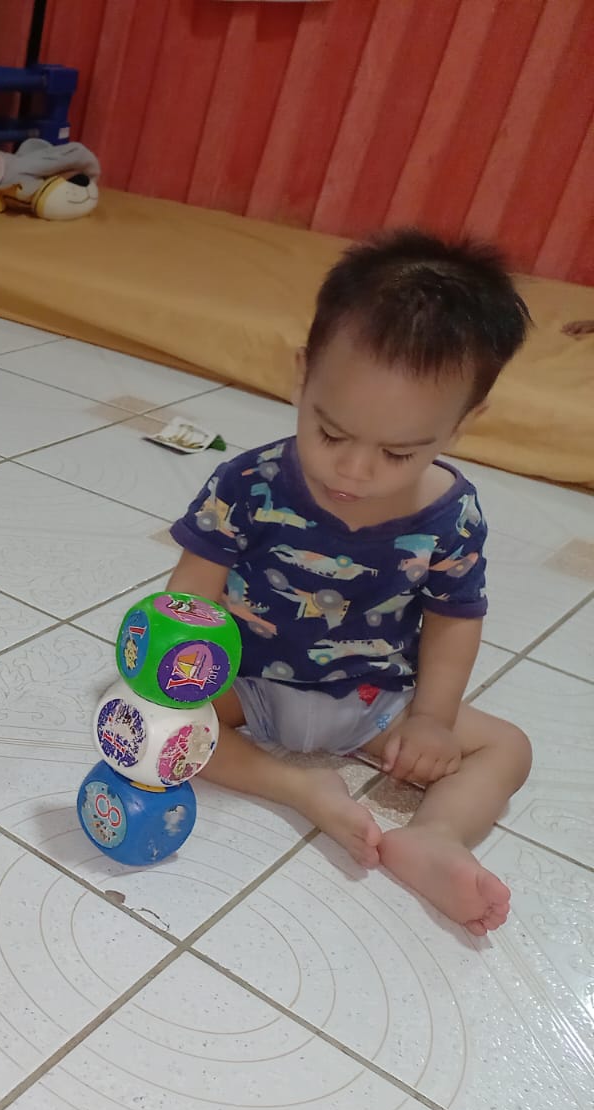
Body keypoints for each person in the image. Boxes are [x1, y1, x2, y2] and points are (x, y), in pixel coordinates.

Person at [167, 229, 533, 935]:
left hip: (374, 697)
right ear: (303, 376)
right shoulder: (248, 481)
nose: (354, 471)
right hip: (245, 684)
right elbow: (188, 593)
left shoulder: (453, 515)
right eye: (330, 434)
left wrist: (431, 719)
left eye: (398, 453)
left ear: (463, 424)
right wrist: (175, 667)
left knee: (507, 748)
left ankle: (437, 836)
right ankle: (297, 786)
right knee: (155, 713)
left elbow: (454, 620)